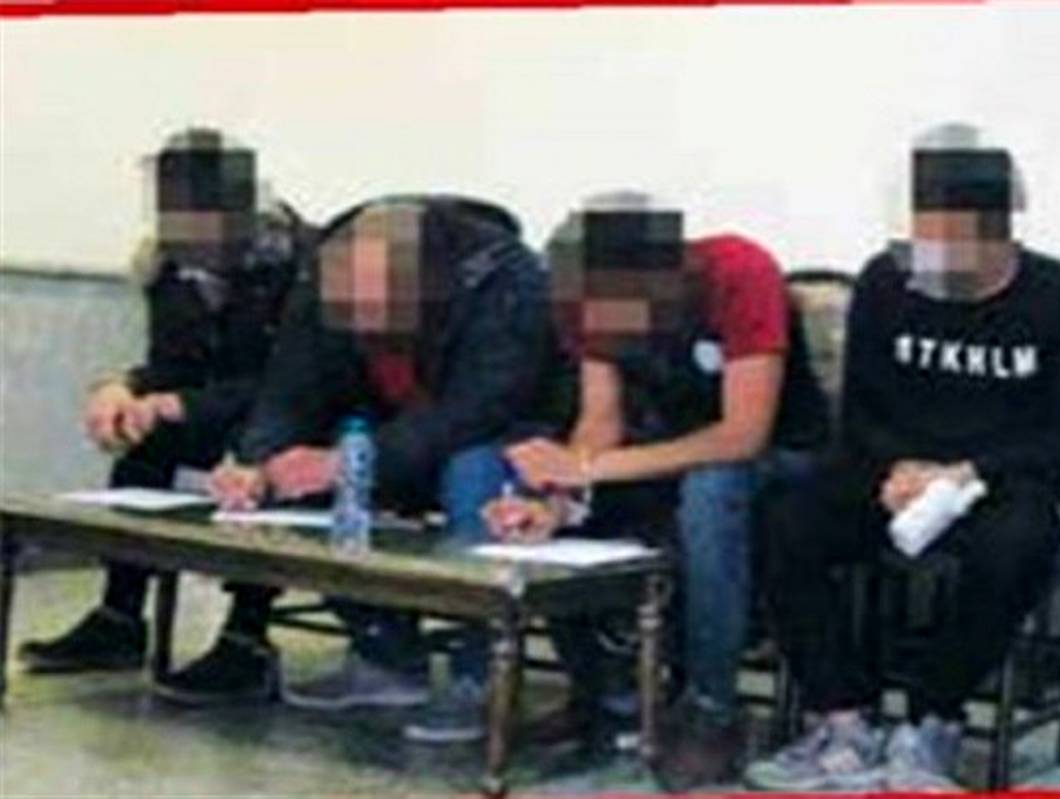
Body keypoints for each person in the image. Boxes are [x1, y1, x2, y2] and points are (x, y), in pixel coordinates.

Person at [745, 129, 1060, 792]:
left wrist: (967, 472)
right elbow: (860, 410)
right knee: (786, 519)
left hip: (1002, 479)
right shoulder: (888, 281)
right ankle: (843, 719)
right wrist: (901, 469)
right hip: (896, 467)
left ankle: (932, 719)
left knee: (1017, 547)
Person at [190, 194, 572, 744]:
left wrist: (346, 462)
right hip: (389, 424)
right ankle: (384, 654)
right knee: (301, 472)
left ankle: (482, 675)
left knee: (471, 474)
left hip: (506, 435)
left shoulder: (507, 283)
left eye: (375, 304)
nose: (359, 322)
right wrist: (258, 463)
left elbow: (480, 409)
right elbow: (289, 385)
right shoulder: (326, 277)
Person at [484, 193, 829, 790]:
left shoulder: (740, 273)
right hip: (666, 447)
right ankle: (602, 691)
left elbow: (743, 436)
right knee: (554, 500)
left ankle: (711, 709)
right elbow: (600, 422)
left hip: (784, 455)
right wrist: (558, 499)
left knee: (710, 490)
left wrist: (590, 469)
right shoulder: (586, 301)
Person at [18, 128, 307, 676]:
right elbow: (172, 364)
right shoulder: (170, 267)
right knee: (144, 439)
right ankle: (120, 614)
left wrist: (185, 405)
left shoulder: (300, 265)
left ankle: (246, 632)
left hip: (293, 417)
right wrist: (125, 388)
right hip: (218, 408)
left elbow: (296, 382)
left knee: (264, 448)